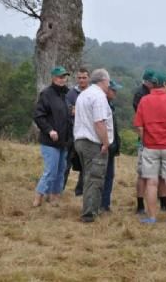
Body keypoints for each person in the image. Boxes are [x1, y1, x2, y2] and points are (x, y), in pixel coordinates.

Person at [134, 71, 166, 225]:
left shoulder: (144, 100)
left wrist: (145, 141)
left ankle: (151, 217)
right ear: (165, 84)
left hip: (150, 146)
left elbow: (139, 127)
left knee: (151, 182)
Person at [74, 68, 114, 222]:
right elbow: (99, 122)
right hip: (93, 142)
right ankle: (90, 214)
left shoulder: (83, 95)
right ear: (103, 81)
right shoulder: (99, 97)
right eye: (108, 82)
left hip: (80, 140)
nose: (108, 85)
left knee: (88, 176)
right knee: (95, 178)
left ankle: (89, 209)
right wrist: (105, 143)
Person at [32, 66, 71, 207]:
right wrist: (49, 130)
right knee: (51, 170)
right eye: (60, 77)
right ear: (54, 78)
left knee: (61, 171)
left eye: (64, 77)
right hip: (50, 141)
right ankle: (38, 197)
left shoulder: (67, 94)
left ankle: (54, 197)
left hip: (64, 140)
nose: (63, 79)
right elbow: (38, 116)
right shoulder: (46, 94)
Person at [133, 69, 166, 214]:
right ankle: (140, 204)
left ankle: (164, 203)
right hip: (147, 138)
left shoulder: (161, 95)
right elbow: (140, 119)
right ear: (147, 82)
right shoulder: (140, 95)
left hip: (161, 139)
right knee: (143, 173)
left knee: (162, 174)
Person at [63, 67, 90, 195]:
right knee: (65, 165)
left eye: (84, 77)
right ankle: (59, 190)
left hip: (87, 135)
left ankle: (80, 192)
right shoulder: (70, 93)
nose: (81, 80)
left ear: (88, 78)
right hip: (71, 134)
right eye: (79, 78)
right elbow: (67, 111)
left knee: (85, 166)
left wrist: (76, 109)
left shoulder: (92, 92)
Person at [101, 79, 122, 212]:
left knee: (109, 175)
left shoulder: (110, 104)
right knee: (104, 175)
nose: (115, 92)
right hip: (105, 146)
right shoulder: (103, 104)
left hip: (111, 146)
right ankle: (102, 204)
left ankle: (105, 204)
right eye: (113, 90)